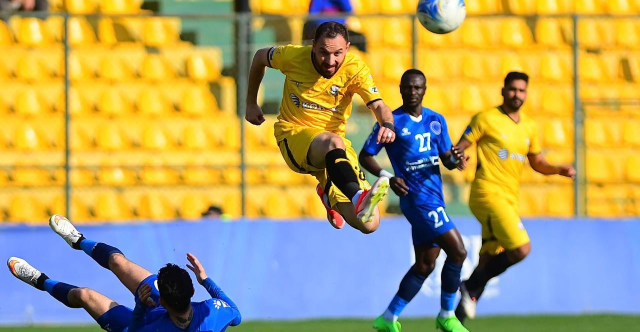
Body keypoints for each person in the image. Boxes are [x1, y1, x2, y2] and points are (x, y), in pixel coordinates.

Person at [246, 21, 395, 233]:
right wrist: (251, 102)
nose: (330, 61)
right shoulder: (292, 56)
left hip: (335, 153)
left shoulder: (355, 68)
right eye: (324, 52)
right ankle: (357, 195)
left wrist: (387, 124)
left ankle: (328, 193)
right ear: (313, 45)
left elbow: (379, 105)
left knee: (369, 224)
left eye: (338, 54)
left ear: (348, 48)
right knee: (333, 141)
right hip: (294, 134)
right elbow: (260, 56)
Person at [453, 72, 576, 324]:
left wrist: (558, 169)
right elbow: (459, 147)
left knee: (487, 258)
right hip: (487, 193)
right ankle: (470, 286)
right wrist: (458, 157)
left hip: (509, 198)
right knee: (521, 248)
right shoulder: (486, 119)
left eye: (521, 91)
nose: (516, 95)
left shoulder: (529, 126)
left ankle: (455, 319)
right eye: (512, 90)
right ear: (503, 91)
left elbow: (537, 162)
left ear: (526, 94)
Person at [359, 69, 470, 332]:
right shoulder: (391, 122)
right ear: (400, 89)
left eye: (417, 88)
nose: (412, 92)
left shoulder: (436, 120)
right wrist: (388, 176)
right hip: (416, 199)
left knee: (424, 264)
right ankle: (447, 314)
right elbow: (365, 156)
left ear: (424, 89)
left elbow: (447, 159)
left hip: (435, 198)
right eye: (407, 88)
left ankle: (388, 318)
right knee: (458, 251)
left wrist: (456, 158)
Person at [7, 214, 241, 332]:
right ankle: (78, 240)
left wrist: (140, 305)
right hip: (163, 311)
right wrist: (206, 280)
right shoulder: (211, 312)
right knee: (118, 262)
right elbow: (237, 315)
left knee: (85, 295)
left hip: (136, 324)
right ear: (191, 291)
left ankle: (40, 280)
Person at [302, 0, 367, 52]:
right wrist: (331, 22)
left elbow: (349, 10)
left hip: (339, 30)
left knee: (360, 38)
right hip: (322, 30)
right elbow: (312, 16)